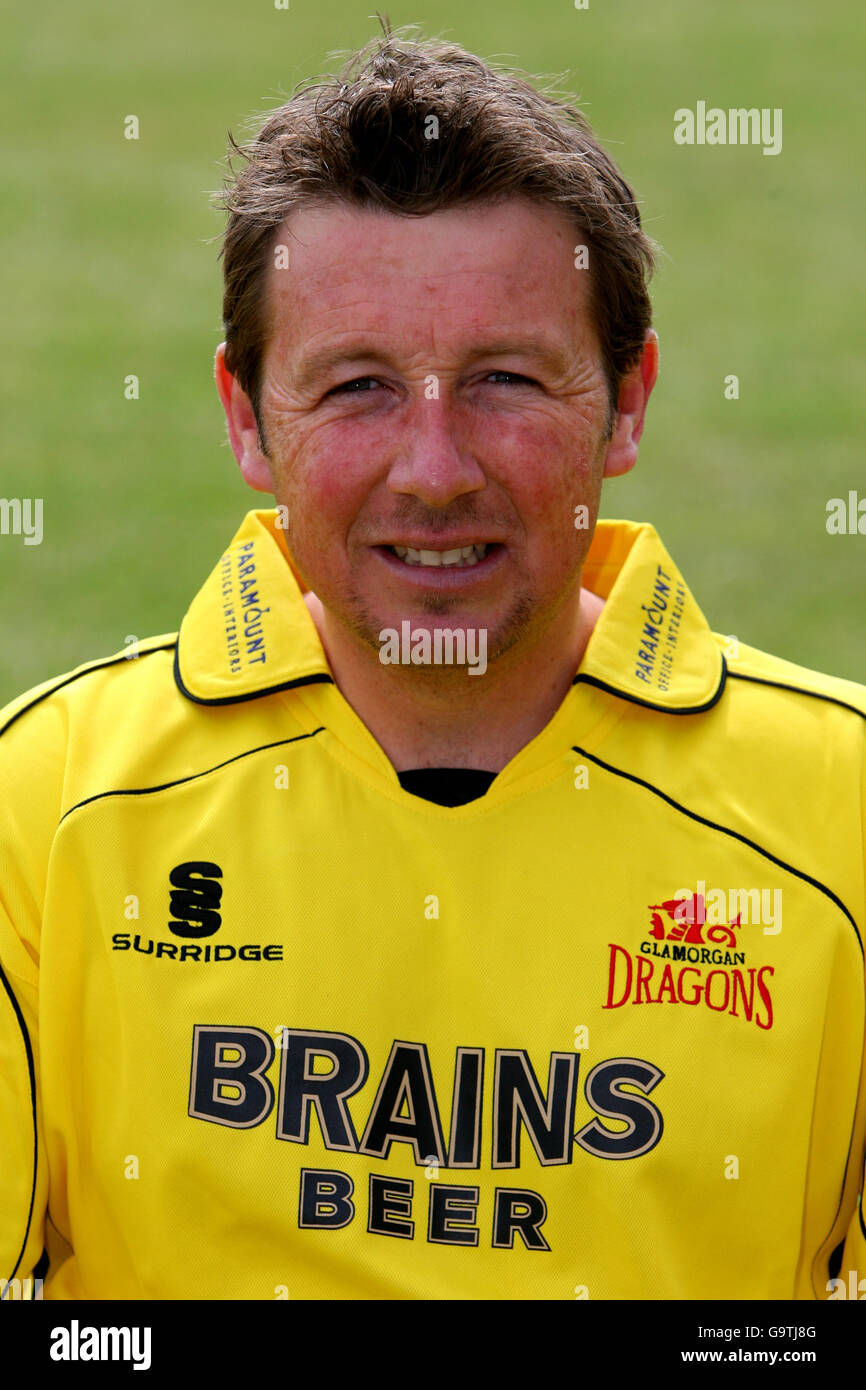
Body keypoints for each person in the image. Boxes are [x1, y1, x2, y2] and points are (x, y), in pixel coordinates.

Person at [1, 27, 863, 1303]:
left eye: (505, 380)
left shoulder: (837, 816)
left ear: (627, 403)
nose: (435, 468)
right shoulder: (44, 807)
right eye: (355, 388)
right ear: (246, 418)